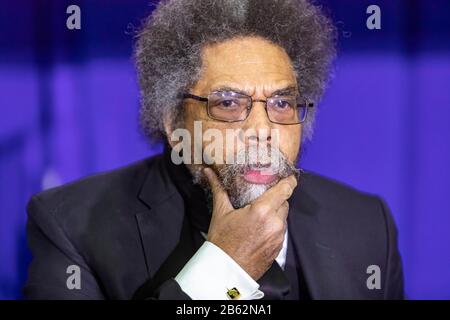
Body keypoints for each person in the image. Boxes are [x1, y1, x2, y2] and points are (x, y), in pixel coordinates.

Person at [24, 0, 404, 300]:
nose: (263, 132)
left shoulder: (366, 223)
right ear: (174, 122)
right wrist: (226, 270)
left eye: (282, 104)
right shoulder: (70, 226)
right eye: (228, 104)